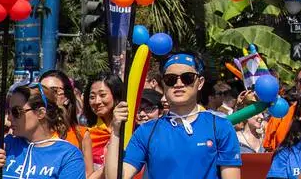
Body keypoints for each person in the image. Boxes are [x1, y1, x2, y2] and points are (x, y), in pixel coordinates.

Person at [108, 51, 242, 179]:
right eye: (171, 79)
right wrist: (115, 130)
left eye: (187, 78)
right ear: (163, 84)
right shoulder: (146, 131)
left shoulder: (220, 127)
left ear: (200, 83)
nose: (179, 84)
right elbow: (116, 177)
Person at [0, 84, 85, 179]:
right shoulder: (3, 145)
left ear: (40, 113)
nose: (9, 118)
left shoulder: (68, 155)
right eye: (9, 111)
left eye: (16, 112)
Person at [83, 72, 124, 179]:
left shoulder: (132, 131)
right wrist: (110, 165)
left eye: (102, 95)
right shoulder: (87, 135)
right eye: (92, 97)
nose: (97, 101)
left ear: (117, 96)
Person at [38, 69, 86, 157]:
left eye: (54, 91)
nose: (46, 97)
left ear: (66, 97)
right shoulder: (28, 130)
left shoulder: (81, 134)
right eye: (41, 91)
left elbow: (88, 171)